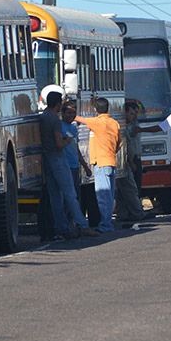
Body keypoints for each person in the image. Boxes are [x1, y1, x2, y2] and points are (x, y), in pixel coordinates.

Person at [40, 92, 99, 240]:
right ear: (58, 104)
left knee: (55, 197)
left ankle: (61, 228)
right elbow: (59, 144)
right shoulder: (54, 120)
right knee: (70, 195)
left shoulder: (43, 117)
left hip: (46, 159)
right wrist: (68, 140)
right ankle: (82, 225)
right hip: (58, 159)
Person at [75, 97, 121, 233]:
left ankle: (106, 225)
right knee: (109, 195)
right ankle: (107, 223)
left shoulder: (97, 122)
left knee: (103, 196)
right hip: (111, 160)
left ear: (96, 110)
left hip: (101, 162)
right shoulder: (114, 123)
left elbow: (79, 119)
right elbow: (119, 142)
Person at [115, 102, 147, 222]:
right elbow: (125, 146)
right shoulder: (122, 127)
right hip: (127, 160)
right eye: (131, 113)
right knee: (130, 188)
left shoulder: (135, 124)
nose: (134, 116)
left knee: (131, 188)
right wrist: (131, 162)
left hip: (136, 157)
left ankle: (125, 213)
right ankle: (135, 212)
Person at [61, 101, 91, 198]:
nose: (72, 115)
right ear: (63, 113)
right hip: (65, 166)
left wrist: (85, 167)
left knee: (76, 195)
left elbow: (76, 149)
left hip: (75, 166)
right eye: (69, 113)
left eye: (74, 113)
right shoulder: (60, 127)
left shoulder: (73, 128)